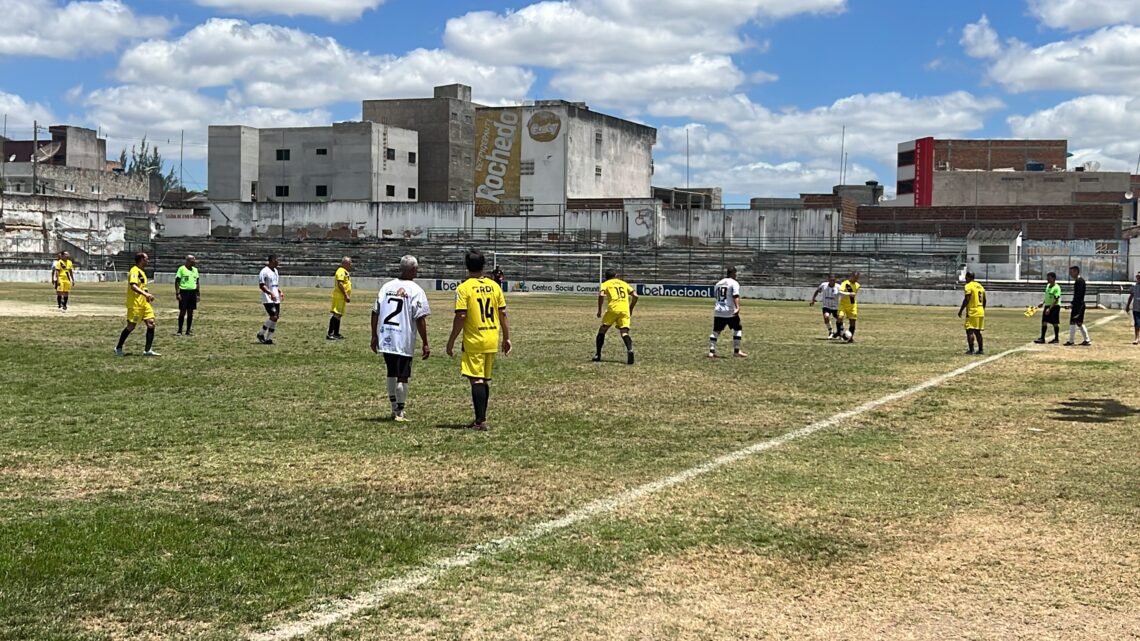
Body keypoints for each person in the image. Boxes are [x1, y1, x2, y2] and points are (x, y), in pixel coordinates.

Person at [447, 250, 511, 431]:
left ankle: (480, 421)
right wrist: (506, 338)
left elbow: (461, 316)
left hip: (474, 339)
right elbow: (502, 313)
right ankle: (481, 418)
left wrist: (451, 340)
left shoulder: (463, 288)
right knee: (483, 379)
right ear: (483, 266)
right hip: (491, 337)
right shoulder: (494, 286)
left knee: (476, 380)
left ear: (466, 267)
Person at [371, 255, 431, 422]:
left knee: (391, 371)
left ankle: (393, 407)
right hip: (403, 338)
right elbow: (420, 318)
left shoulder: (387, 286)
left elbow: (375, 312)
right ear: (413, 269)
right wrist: (425, 343)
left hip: (387, 335)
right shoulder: (416, 290)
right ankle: (400, 411)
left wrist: (374, 335)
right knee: (403, 375)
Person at [114, 252, 160, 357]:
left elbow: (142, 286)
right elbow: (133, 286)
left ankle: (148, 350)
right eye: (146, 259)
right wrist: (145, 294)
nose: (148, 260)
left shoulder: (142, 272)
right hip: (135, 304)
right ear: (141, 259)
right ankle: (118, 348)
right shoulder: (134, 271)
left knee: (151, 323)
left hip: (144, 303)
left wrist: (147, 295)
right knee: (131, 326)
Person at [594, 269, 638, 364]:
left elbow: (601, 295)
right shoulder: (623, 283)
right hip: (624, 310)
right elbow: (635, 296)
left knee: (602, 330)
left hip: (613, 309)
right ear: (616, 275)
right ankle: (630, 349)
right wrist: (630, 308)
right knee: (624, 332)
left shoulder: (605, 283)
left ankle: (598, 354)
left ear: (606, 277)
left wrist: (599, 310)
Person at [709, 267, 747, 358]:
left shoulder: (718, 283)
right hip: (730, 311)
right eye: (735, 273)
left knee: (716, 331)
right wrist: (737, 307)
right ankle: (736, 351)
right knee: (738, 328)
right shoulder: (734, 283)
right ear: (733, 273)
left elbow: (716, 296)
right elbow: (735, 296)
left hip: (719, 310)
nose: (736, 275)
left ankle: (711, 352)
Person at [958, 272, 987, 355]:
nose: (965, 280)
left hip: (972, 311)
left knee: (969, 331)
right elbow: (985, 300)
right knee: (977, 331)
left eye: (966, 278)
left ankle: (971, 350)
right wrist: (982, 309)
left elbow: (967, 299)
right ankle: (981, 350)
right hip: (980, 310)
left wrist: (961, 310)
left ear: (969, 277)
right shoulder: (980, 286)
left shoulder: (968, 286)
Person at [257, 255, 283, 345]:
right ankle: (261, 333)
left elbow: (275, 284)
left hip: (276, 298)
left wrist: (279, 291)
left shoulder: (276, 271)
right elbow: (261, 285)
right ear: (272, 260)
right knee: (274, 316)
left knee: (276, 318)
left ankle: (269, 339)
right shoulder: (264, 271)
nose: (278, 262)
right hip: (267, 298)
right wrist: (270, 293)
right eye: (277, 260)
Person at [809, 273, 843, 338]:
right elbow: (817, 291)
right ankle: (831, 331)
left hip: (835, 307)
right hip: (826, 306)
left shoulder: (839, 287)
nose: (832, 281)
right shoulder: (824, 285)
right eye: (831, 280)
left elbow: (843, 295)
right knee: (826, 317)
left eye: (833, 280)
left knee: (839, 319)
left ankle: (841, 332)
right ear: (828, 279)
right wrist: (813, 299)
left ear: (835, 280)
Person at [1065, 265, 1091, 346]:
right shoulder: (1079, 281)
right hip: (1078, 304)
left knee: (1074, 321)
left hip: (1079, 305)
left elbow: (1078, 295)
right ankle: (1086, 340)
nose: (1070, 274)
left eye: (1071, 272)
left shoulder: (1080, 281)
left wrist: (1072, 304)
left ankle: (1071, 341)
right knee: (1078, 322)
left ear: (1076, 271)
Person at [327, 256, 353, 340]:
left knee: (339, 315)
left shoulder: (345, 271)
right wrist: (346, 295)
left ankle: (336, 333)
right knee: (336, 314)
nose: (351, 264)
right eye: (349, 263)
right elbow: (340, 284)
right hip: (339, 296)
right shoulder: (341, 271)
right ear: (345, 263)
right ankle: (330, 333)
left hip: (342, 297)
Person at [174, 255, 200, 336]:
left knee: (190, 312)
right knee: (182, 311)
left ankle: (188, 330)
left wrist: (198, 294)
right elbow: (177, 281)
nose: (194, 262)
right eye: (193, 260)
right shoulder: (181, 269)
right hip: (184, 292)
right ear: (188, 261)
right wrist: (178, 293)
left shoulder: (195, 270)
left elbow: (197, 282)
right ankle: (179, 330)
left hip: (192, 292)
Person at [1034, 272, 1062, 344]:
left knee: (1055, 323)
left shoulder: (1057, 287)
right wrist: (1043, 302)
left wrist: (1050, 308)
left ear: (1053, 278)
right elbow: (1047, 296)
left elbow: (1056, 299)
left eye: (1049, 278)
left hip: (1054, 306)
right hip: (1047, 305)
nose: (1047, 279)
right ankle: (1042, 338)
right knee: (1044, 322)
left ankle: (1056, 339)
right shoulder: (1048, 286)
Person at [837, 271, 861, 343]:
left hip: (852, 305)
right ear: (851, 276)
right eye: (855, 277)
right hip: (843, 305)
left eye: (857, 278)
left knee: (853, 322)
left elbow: (853, 295)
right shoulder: (845, 283)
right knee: (839, 318)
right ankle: (840, 334)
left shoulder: (857, 285)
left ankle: (850, 338)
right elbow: (840, 292)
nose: (856, 279)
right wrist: (848, 293)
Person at [1125, 271, 1140, 345]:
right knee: (1137, 323)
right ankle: (1136, 338)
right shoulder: (1134, 286)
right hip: (1136, 308)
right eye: (1137, 277)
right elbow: (1131, 296)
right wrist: (1128, 305)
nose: (1138, 278)